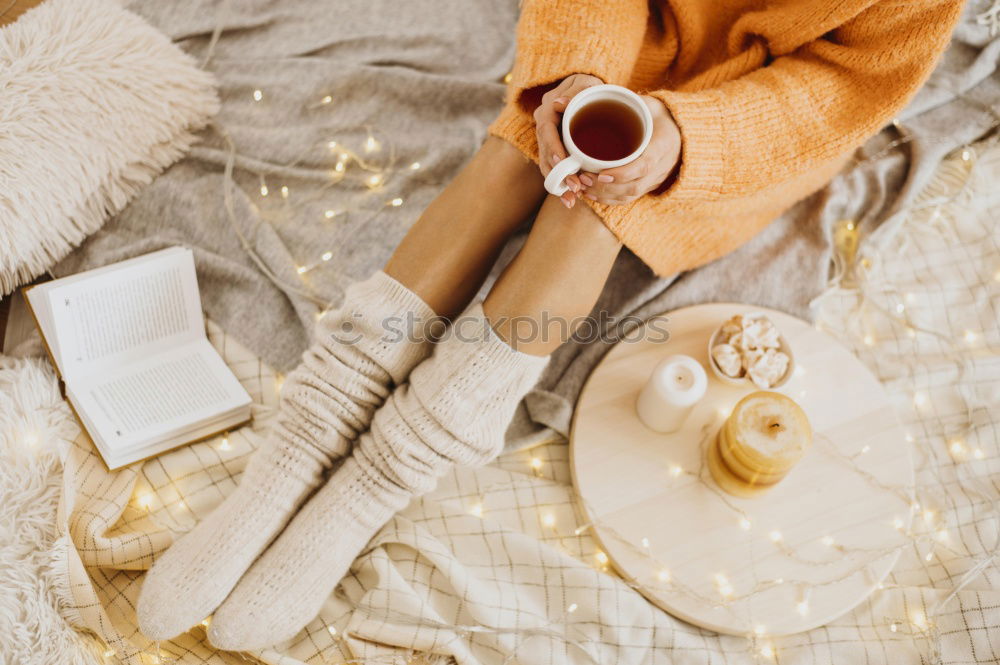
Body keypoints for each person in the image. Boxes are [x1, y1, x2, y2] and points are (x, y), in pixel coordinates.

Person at [138, 0, 963, 649]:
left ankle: (376, 481)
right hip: (619, 38)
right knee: (515, 154)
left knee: (594, 213)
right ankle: (297, 451)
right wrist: (576, 71)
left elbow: (843, 91)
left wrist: (682, 138)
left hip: (743, 125)